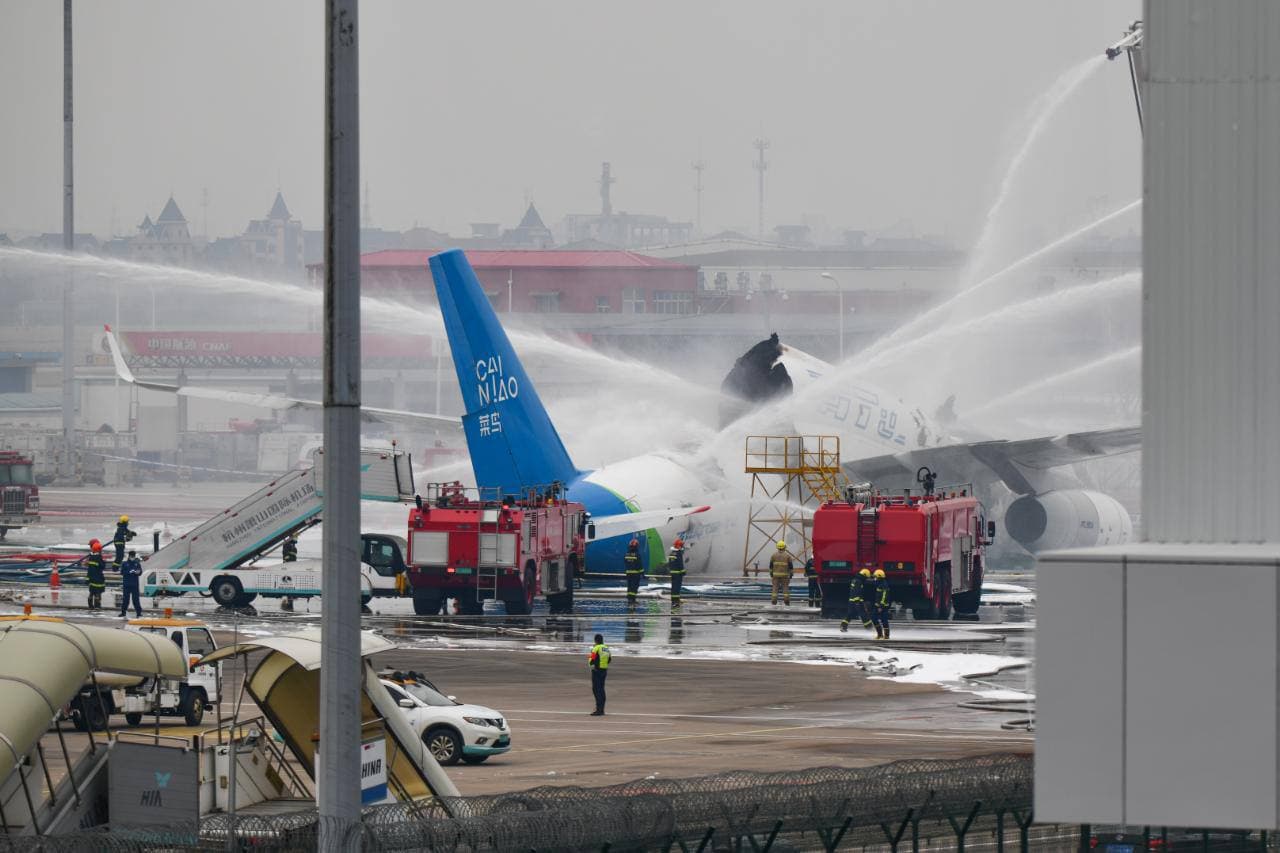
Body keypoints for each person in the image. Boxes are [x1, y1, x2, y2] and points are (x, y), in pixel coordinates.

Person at [841, 568, 875, 633]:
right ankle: (869, 628)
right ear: (864, 576)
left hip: (852, 600)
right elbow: (857, 591)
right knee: (863, 614)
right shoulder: (859, 582)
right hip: (857, 601)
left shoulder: (855, 580)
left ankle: (843, 626)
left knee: (850, 614)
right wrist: (857, 601)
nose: (866, 579)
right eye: (866, 577)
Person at [588, 633, 611, 715]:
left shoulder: (596, 648)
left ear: (595, 640)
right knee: (601, 689)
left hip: (596, 671)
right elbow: (609, 659)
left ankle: (599, 709)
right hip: (604, 670)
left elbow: (592, 659)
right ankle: (602, 709)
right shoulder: (606, 648)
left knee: (596, 689)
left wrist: (592, 667)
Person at [118, 549, 143, 618]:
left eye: (133, 556)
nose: (132, 557)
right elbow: (122, 572)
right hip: (126, 584)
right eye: (131, 556)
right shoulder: (125, 563)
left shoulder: (137, 563)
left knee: (136, 600)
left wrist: (138, 572)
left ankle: (139, 613)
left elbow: (140, 572)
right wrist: (129, 572)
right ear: (129, 556)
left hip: (135, 585)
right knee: (125, 600)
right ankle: (123, 612)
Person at [769, 541, 794, 606]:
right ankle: (787, 602)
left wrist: (771, 574)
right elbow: (791, 566)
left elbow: (771, 566)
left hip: (775, 576)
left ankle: (774, 602)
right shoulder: (788, 556)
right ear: (784, 547)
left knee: (775, 589)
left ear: (777, 547)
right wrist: (791, 574)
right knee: (785, 589)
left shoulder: (773, 555)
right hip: (785, 576)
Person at [84, 539, 106, 611]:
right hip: (98, 578)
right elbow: (102, 566)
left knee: (91, 592)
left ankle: (90, 606)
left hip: (92, 578)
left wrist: (88, 578)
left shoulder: (91, 557)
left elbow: (90, 569)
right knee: (98, 593)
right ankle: (97, 606)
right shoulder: (98, 557)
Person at [871, 568, 892, 640]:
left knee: (884, 620)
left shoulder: (884, 585)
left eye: (876, 577)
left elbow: (884, 596)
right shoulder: (879, 584)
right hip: (877, 606)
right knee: (874, 618)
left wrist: (881, 606)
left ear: (879, 577)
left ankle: (886, 635)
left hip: (882, 606)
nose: (875, 578)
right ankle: (880, 634)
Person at [623, 539, 644, 610]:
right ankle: (632, 600)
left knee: (629, 586)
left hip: (628, 573)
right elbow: (639, 564)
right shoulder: (637, 554)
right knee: (634, 587)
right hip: (636, 573)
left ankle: (630, 599)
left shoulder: (626, 554)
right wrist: (642, 573)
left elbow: (625, 562)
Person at [667, 538, 686, 610]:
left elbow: (670, 564)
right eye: (681, 545)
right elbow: (680, 564)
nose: (682, 547)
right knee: (677, 588)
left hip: (672, 573)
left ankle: (674, 600)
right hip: (678, 573)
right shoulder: (678, 554)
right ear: (679, 546)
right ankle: (676, 602)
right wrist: (683, 571)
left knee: (673, 587)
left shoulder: (671, 553)